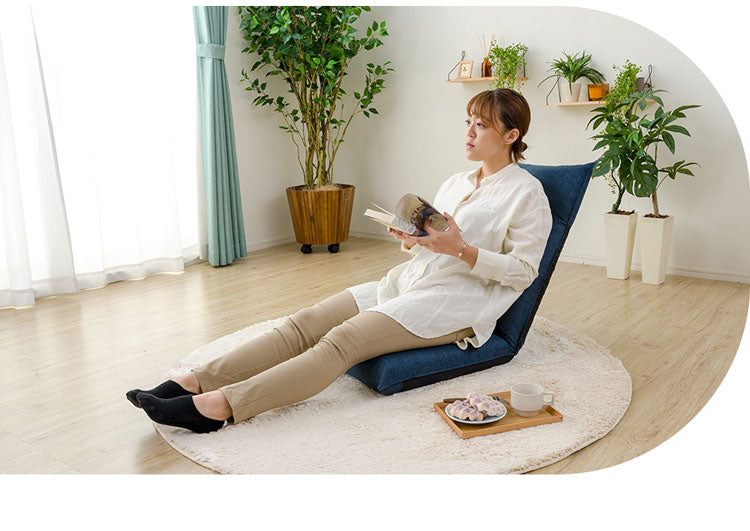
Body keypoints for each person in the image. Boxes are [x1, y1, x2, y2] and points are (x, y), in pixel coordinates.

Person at [126, 88, 553, 433]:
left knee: (342, 341)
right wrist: (414, 240)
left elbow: (524, 273)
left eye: (482, 125)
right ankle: (192, 381)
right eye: (468, 121)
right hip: (409, 282)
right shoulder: (456, 182)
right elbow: (435, 244)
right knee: (304, 323)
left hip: (456, 303)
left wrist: (460, 250)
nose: (469, 132)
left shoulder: (527, 193)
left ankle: (219, 407)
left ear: (511, 135)